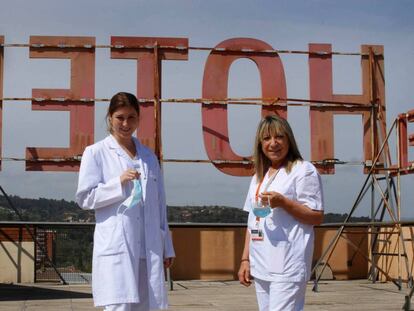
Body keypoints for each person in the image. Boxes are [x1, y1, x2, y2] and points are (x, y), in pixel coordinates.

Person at [76, 92, 174, 311]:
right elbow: (85, 197)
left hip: (148, 247)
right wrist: (117, 183)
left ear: (138, 119)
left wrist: (167, 245)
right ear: (110, 117)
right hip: (118, 246)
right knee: (118, 306)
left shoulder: (148, 157)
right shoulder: (96, 153)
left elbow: (159, 204)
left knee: (148, 305)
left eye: (131, 117)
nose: (125, 123)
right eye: (120, 117)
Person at [238, 115, 324, 311]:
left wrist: (284, 203)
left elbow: (317, 216)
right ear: (260, 144)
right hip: (261, 263)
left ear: (289, 140)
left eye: (279, 137)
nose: (273, 143)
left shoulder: (303, 170)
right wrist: (245, 259)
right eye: (267, 138)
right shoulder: (258, 177)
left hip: (287, 264)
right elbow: (252, 222)